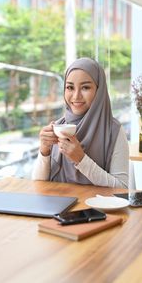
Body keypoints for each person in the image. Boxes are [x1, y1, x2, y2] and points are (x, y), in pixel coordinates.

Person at [32, 57, 129, 188]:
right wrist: (44, 150)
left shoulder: (113, 130)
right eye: (70, 87)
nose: (76, 96)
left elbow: (122, 188)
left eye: (85, 87)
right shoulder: (57, 127)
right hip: (57, 206)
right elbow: (38, 184)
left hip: (97, 208)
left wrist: (81, 159)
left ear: (99, 90)